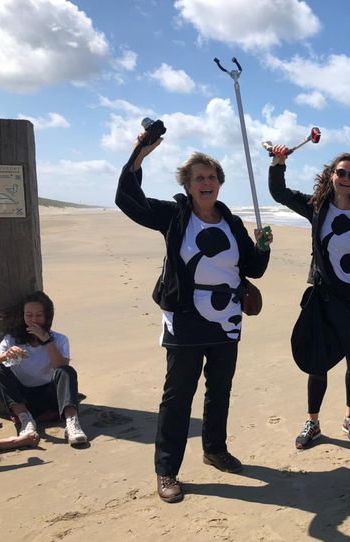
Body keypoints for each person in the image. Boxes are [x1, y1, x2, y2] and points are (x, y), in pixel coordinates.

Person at [116, 132, 272, 503]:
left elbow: (253, 267)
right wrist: (140, 154)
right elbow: (127, 200)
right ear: (186, 185)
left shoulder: (230, 221)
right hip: (185, 316)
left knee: (220, 389)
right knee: (178, 395)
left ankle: (214, 449)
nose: (206, 183)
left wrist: (263, 247)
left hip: (227, 318)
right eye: (198, 178)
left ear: (219, 184)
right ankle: (167, 469)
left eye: (212, 177)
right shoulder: (174, 215)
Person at [268, 146, 350, 449]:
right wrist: (278, 163)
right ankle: (312, 422)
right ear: (331, 175)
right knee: (318, 359)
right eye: (341, 172)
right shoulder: (316, 206)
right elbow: (279, 193)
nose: (346, 178)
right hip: (325, 298)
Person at [0, 291, 88, 446]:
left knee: (67, 371)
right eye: (29, 315)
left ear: (47, 316)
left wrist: (47, 341)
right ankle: (25, 420)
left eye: (39, 315)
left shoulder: (59, 339)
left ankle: (72, 422)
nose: (34, 320)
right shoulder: (12, 339)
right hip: (24, 398)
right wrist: (7, 355)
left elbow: (60, 366)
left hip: (51, 394)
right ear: (23, 316)